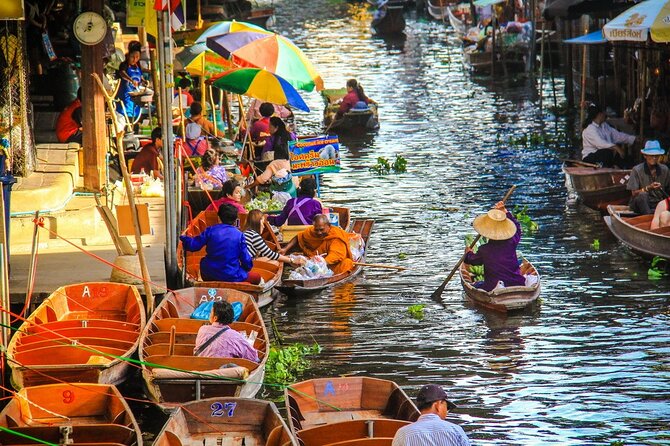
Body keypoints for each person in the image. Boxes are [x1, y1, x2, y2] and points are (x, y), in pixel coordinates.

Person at [180, 203, 260, 283]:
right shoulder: (239, 235)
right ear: (235, 220)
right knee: (256, 277)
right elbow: (246, 261)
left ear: (219, 218)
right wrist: (245, 269)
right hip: (231, 276)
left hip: (209, 274)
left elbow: (193, 246)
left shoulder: (210, 230)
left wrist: (183, 237)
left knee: (204, 262)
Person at [464, 201, 525, 291]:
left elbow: (472, 260)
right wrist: (506, 212)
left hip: (493, 286)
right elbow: (517, 229)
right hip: (516, 282)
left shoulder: (484, 250)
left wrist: (468, 253)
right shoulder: (512, 242)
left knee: (476, 285)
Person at [392, 384, 469, 446]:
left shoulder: (402, 434)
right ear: (437, 405)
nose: (446, 412)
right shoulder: (456, 430)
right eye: (447, 407)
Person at [280, 214, 354, 275]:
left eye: (321, 229)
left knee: (347, 263)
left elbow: (336, 255)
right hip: (314, 263)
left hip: (332, 265)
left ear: (328, 226)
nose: (319, 233)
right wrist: (285, 249)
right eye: (316, 230)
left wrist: (319, 264)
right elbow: (298, 237)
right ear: (314, 226)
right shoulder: (311, 231)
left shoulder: (336, 235)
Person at [245, 117, 297, 196]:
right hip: (294, 186)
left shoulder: (274, 162)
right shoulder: (292, 135)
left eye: (270, 127)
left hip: (283, 190)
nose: (268, 129)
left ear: (276, 128)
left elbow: (262, 178)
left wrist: (248, 186)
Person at [193, 300, 259, 361]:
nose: (209, 314)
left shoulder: (202, 329)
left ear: (215, 318)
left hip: (201, 367)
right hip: (224, 370)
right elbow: (254, 357)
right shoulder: (235, 336)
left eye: (211, 312)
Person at [627, 141, 670, 215]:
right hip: (640, 204)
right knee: (643, 195)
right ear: (645, 156)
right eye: (651, 155)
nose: (654, 158)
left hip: (657, 204)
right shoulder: (637, 170)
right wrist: (649, 188)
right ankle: (649, 215)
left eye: (656, 155)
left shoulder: (665, 170)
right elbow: (634, 193)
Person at [115, 46, 145, 122]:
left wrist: (144, 81)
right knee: (124, 116)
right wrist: (131, 80)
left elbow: (141, 77)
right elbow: (122, 73)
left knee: (135, 116)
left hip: (135, 97)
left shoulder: (137, 66)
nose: (135, 59)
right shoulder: (123, 65)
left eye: (137, 57)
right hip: (125, 97)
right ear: (128, 55)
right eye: (132, 57)